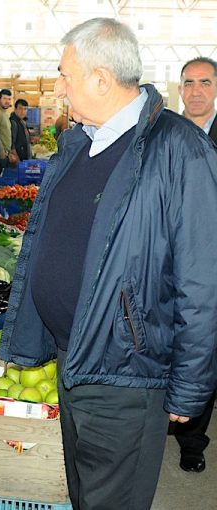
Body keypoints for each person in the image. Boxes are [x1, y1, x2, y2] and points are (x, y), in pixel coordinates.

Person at [0, 18, 217, 510]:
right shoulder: (81, 144)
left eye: (64, 75)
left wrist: (190, 387)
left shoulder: (181, 150)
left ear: (100, 79)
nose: (57, 87)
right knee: (83, 495)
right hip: (74, 361)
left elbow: (203, 281)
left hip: (128, 375)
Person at [172, 56, 217, 474]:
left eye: (205, 81)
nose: (196, 90)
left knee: (204, 346)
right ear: (179, 87)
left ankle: (192, 440)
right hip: (172, 257)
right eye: (189, 82)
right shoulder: (167, 133)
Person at [0, 89, 15, 169]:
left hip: (7, 153)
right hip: (2, 155)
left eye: (9, 99)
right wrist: (2, 153)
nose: (7, 101)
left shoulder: (5, 114)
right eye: (4, 98)